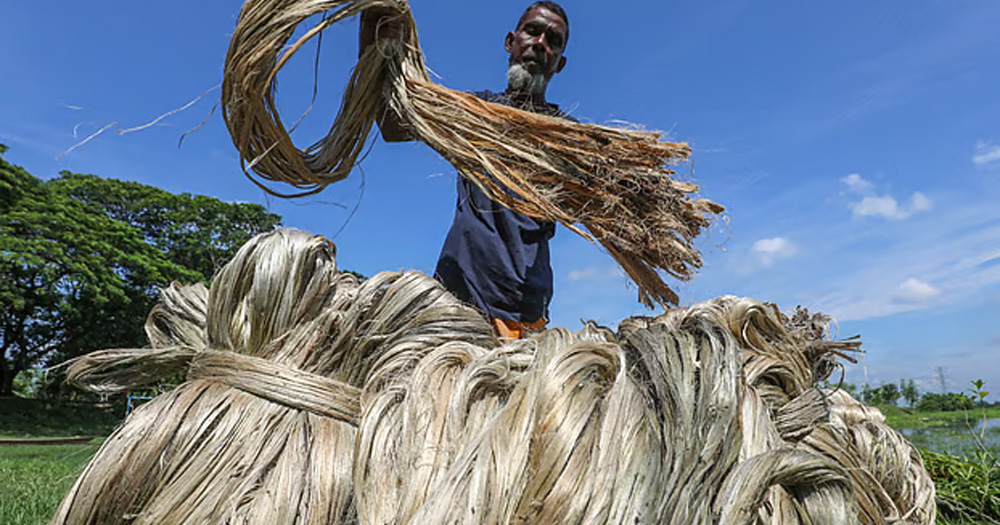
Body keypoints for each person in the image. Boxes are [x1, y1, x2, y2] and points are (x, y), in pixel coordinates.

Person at [359, 2, 573, 339]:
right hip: (456, 299)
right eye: (532, 31)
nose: (540, 43)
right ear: (510, 41)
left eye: (553, 40)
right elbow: (392, 124)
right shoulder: (472, 114)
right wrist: (374, 37)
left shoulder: (568, 136)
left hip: (524, 313)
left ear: (559, 63)